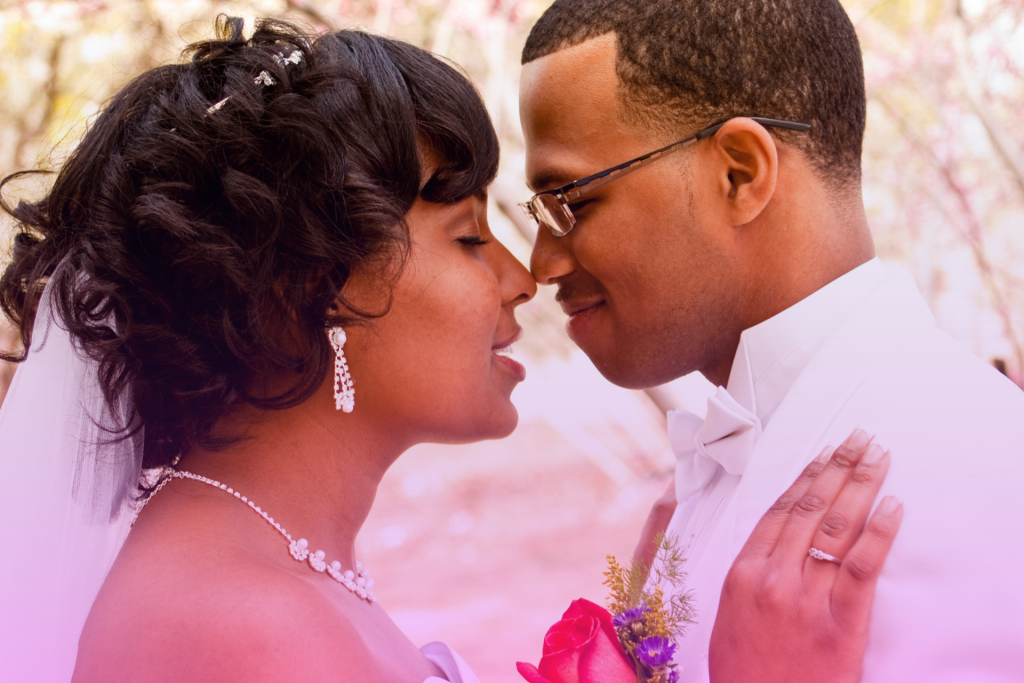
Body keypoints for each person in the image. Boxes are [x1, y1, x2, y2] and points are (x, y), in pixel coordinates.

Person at [0, 16, 898, 683]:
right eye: (470, 238)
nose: (523, 276)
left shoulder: (256, 562)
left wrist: (636, 639)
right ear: (314, 290)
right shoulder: (236, 624)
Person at [518, 0, 1024, 681]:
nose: (541, 263)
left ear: (740, 173)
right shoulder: (710, 475)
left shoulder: (971, 483)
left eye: (569, 202)